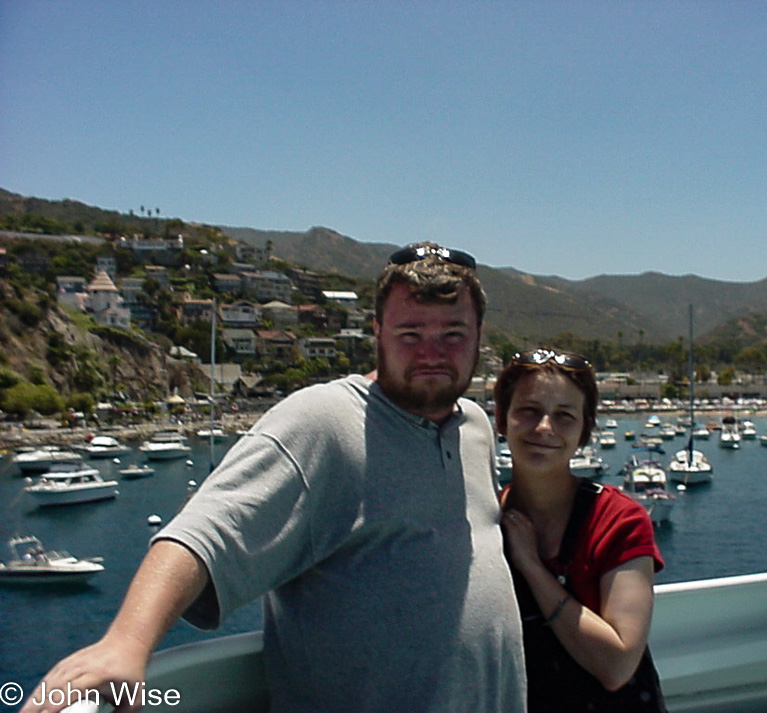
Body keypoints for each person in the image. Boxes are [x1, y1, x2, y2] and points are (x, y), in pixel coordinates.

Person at [22, 242, 527, 713]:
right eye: (410, 333)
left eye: (452, 335)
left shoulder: (474, 425)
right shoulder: (324, 421)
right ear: (377, 332)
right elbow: (203, 532)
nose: (432, 353)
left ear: (480, 337)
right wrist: (125, 645)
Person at [494, 348, 666, 713]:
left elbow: (617, 665)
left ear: (585, 430)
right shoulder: (482, 517)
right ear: (501, 419)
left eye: (564, 416)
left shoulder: (620, 520)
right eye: (528, 410)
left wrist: (531, 566)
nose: (544, 427)